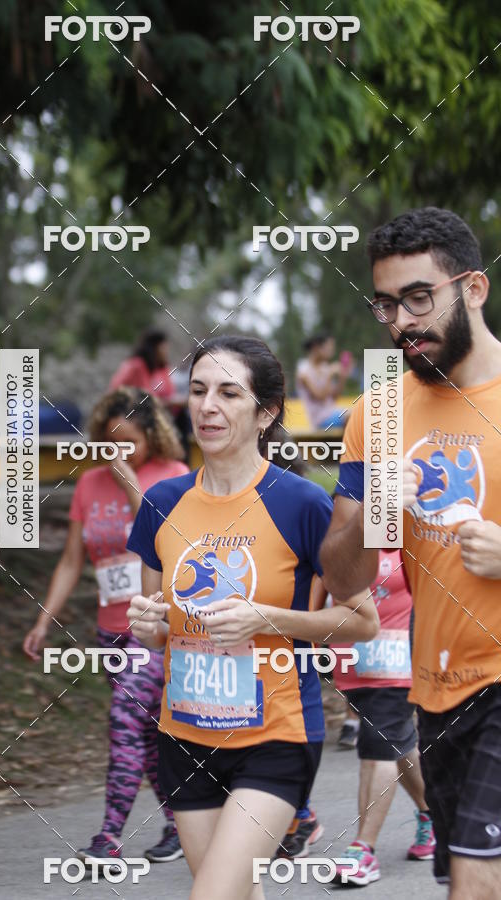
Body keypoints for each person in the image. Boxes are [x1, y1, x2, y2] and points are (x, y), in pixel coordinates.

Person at [126, 335, 379, 900]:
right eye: (197, 391)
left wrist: (264, 618)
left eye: (228, 393)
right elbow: (159, 627)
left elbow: (362, 620)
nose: (208, 406)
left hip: (276, 734)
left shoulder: (301, 503)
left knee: (212, 895)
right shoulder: (161, 502)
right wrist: (149, 625)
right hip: (184, 735)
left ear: (266, 412)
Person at [319, 207, 501, 899]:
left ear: (473, 289)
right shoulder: (380, 414)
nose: (402, 322)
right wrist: (376, 516)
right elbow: (343, 578)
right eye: (387, 304)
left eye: (420, 298)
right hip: (435, 692)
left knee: (476, 883)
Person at [23, 387, 188, 865]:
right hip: (108, 630)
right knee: (148, 732)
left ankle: (108, 839)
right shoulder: (90, 484)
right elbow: (73, 561)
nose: (117, 452)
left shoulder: (173, 478)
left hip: (155, 626)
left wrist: (133, 484)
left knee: (123, 720)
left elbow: (170, 545)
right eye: (109, 442)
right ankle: (181, 823)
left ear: (152, 436)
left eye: (128, 442)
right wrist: (43, 620)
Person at [321, 549, 434, 885]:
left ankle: (363, 849)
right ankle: (434, 816)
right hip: (351, 666)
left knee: (377, 747)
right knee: (398, 745)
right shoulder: (342, 532)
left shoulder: (414, 534)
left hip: (396, 663)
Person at [295, 334, 353, 430]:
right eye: (329, 347)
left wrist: (343, 377)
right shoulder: (303, 371)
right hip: (319, 420)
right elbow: (319, 396)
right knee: (352, 415)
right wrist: (329, 375)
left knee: (359, 412)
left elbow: (334, 398)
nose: (331, 350)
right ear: (316, 347)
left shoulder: (325, 367)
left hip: (332, 413)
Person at [109, 329, 175, 402]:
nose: (166, 352)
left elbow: (169, 392)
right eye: (163, 348)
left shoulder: (160, 368)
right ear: (153, 348)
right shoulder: (137, 365)